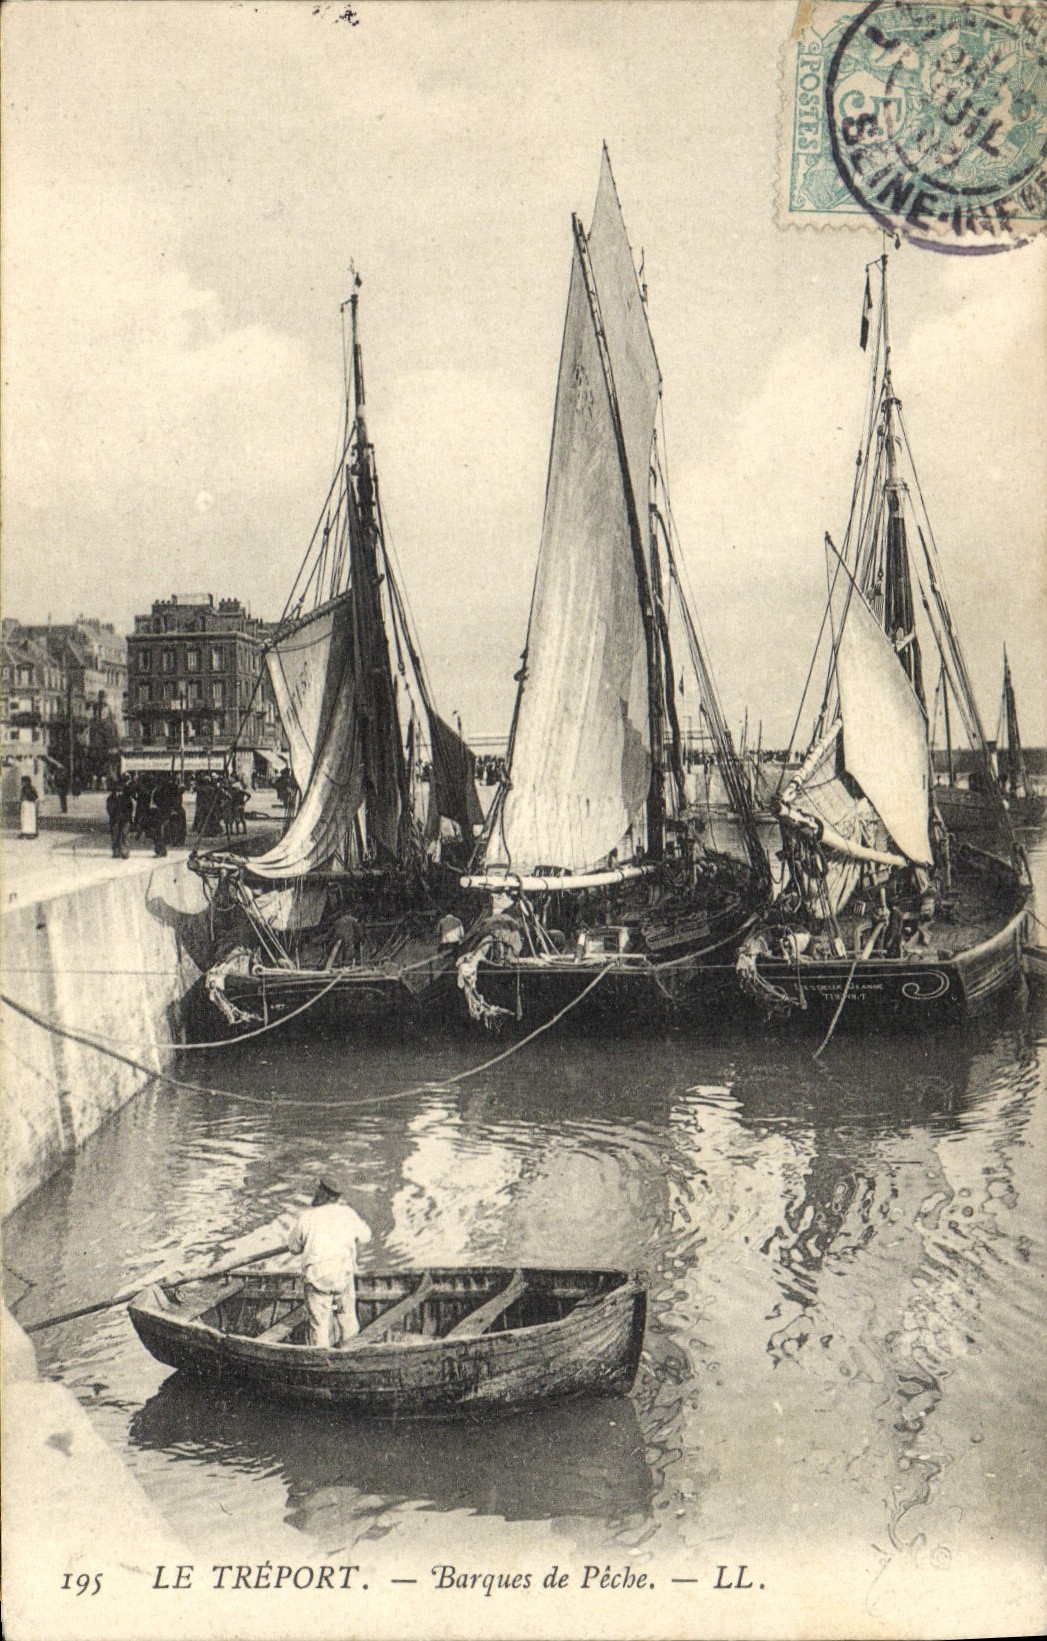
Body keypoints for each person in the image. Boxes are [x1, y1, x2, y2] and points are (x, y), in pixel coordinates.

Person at [286, 1172, 371, 1348]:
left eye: (318, 1189)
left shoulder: (307, 1217)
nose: (315, 1192)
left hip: (318, 1278)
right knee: (348, 1318)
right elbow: (365, 1237)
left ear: (322, 1194)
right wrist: (353, 1259)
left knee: (319, 1325)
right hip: (343, 1275)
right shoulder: (348, 1214)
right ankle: (351, 1352)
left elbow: (294, 1248)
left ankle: (321, 1356)